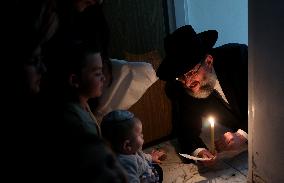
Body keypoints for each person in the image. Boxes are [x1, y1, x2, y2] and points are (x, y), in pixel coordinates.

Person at [156, 25, 248, 166]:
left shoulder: (240, 58)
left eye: (191, 73)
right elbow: (185, 127)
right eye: (180, 77)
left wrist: (243, 134)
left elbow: (271, 100)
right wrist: (199, 152)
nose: (187, 82)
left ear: (209, 61)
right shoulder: (184, 87)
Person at [101, 110, 166, 183]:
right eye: (140, 134)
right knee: (158, 171)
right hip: (143, 178)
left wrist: (151, 157)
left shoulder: (129, 150)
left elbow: (140, 156)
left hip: (143, 169)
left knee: (158, 169)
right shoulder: (126, 166)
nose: (142, 135)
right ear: (127, 145)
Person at [62, 41, 105, 139]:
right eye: (98, 73)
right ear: (75, 80)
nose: (104, 78)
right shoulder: (81, 125)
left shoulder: (83, 104)